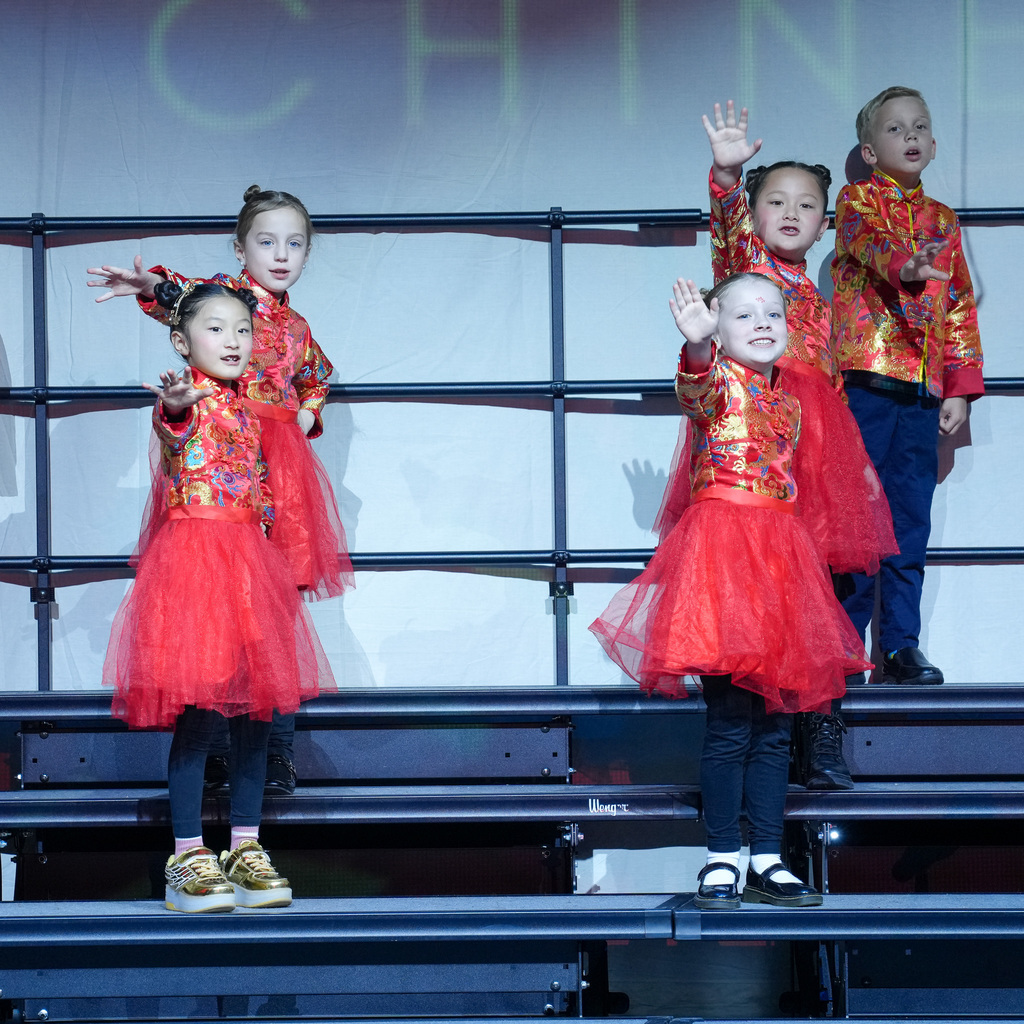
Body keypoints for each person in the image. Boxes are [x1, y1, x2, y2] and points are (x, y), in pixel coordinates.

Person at [591, 273, 872, 909]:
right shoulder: (719, 384)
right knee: (728, 724)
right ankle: (722, 856)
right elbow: (695, 388)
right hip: (722, 564)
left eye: (772, 311)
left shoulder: (794, 401)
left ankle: (768, 857)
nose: (763, 323)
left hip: (779, 566)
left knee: (776, 727)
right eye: (743, 316)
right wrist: (696, 349)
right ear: (717, 327)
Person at [657, 100, 897, 791]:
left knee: (821, 594)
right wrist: (727, 180)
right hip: (758, 444)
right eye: (776, 202)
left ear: (826, 223)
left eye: (808, 205)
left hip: (818, 447)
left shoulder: (819, 303)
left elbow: (829, 380)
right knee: (771, 595)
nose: (792, 214)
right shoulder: (750, 274)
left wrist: (857, 470)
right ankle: (769, 731)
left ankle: (818, 731)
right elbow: (731, 237)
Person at [88, 185, 353, 794]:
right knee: (215, 612)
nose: (280, 254)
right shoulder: (229, 299)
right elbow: (183, 301)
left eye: (294, 244)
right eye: (266, 241)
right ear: (240, 248)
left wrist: (309, 411)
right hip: (221, 457)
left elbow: (317, 375)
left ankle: (272, 751)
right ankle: (208, 744)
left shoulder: (299, 326)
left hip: (280, 472)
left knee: (272, 608)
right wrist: (154, 288)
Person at [102, 280, 334, 912]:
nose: (233, 341)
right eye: (215, 329)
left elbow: (301, 400)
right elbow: (175, 439)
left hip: (249, 564)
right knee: (202, 717)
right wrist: (174, 407)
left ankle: (245, 845)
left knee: (257, 715)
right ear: (181, 342)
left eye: (242, 330)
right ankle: (186, 856)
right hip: (198, 563)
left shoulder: (251, 405)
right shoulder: (188, 399)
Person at [833, 86, 984, 686]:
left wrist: (958, 387)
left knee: (907, 522)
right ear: (870, 151)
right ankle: (845, 645)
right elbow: (868, 247)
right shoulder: (853, 202)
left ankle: (900, 645)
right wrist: (908, 267)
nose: (911, 136)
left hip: (922, 390)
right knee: (855, 522)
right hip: (865, 384)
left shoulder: (943, 219)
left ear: (935, 142)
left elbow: (959, 307)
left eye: (919, 126)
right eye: (895, 129)